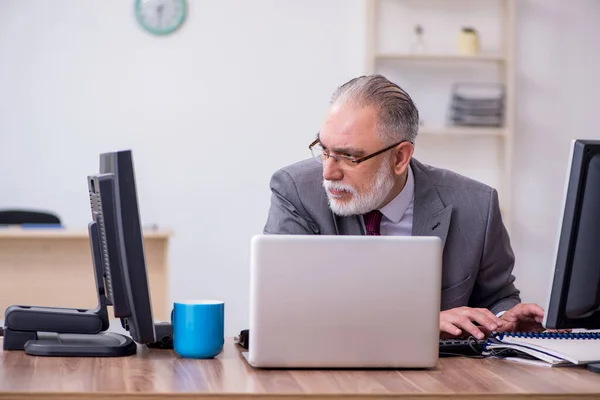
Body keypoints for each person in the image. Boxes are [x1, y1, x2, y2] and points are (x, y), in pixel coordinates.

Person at [263, 74, 545, 340]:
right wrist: (419, 324)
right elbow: (287, 307)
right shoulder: (296, 191)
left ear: (400, 157)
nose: (328, 172)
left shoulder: (476, 205)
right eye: (324, 150)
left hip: (442, 382)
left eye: (349, 157)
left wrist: (505, 317)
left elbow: (496, 296)